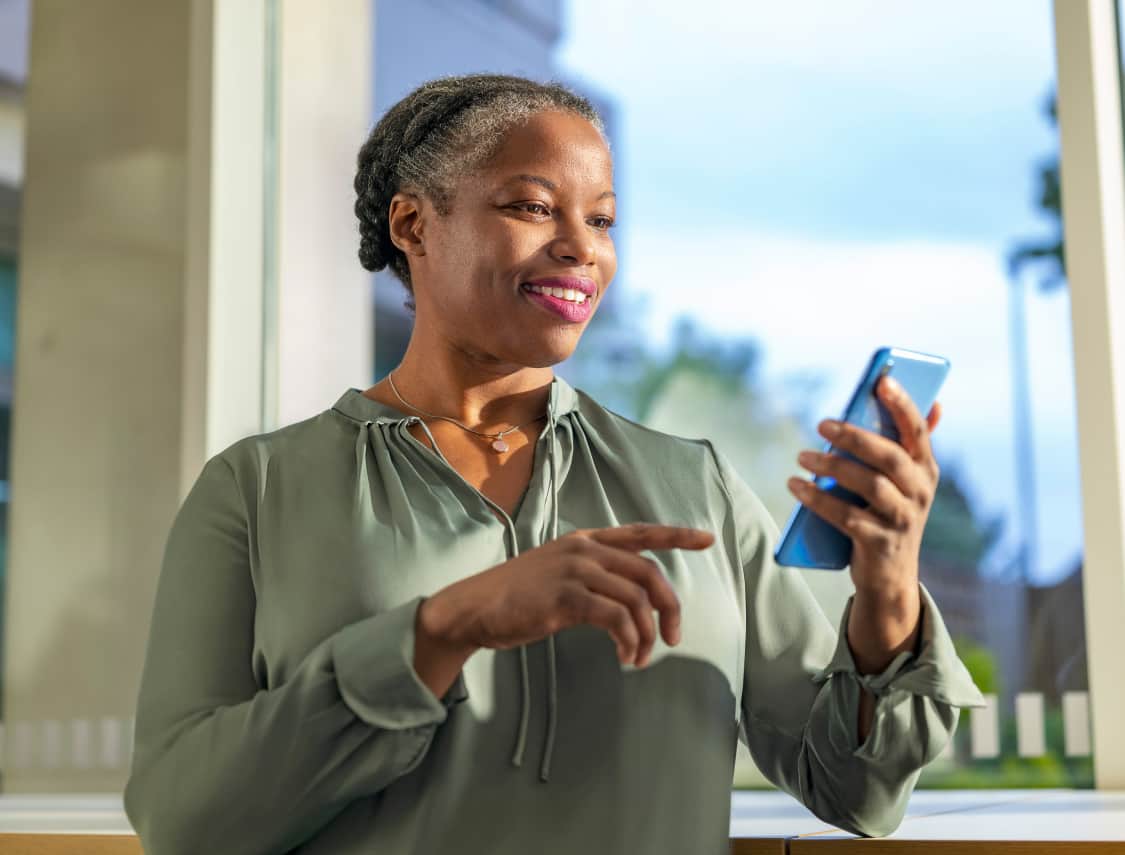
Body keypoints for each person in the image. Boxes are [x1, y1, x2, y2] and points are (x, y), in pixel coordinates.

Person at [123, 73, 984, 855]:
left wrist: (887, 595)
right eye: (534, 207)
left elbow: (857, 789)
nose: (582, 247)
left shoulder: (699, 487)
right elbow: (184, 819)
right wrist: (445, 627)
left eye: (602, 219)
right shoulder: (257, 489)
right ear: (413, 223)